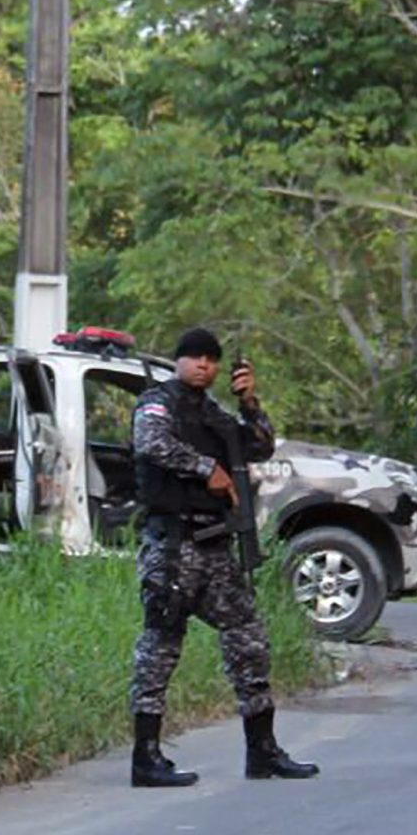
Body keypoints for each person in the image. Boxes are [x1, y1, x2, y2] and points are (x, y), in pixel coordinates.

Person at [127, 327, 318, 787]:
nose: (203, 366)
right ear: (179, 362)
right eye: (194, 357)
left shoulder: (214, 413)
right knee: (159, 649)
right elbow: (149, 443)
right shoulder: (158, 403)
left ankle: (262, 750)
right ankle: (146, 757)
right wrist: (204, 468)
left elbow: (259, 446)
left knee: (249, 639)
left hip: (215, 548)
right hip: (172, 547)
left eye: (211, 360)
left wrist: (249, 401)